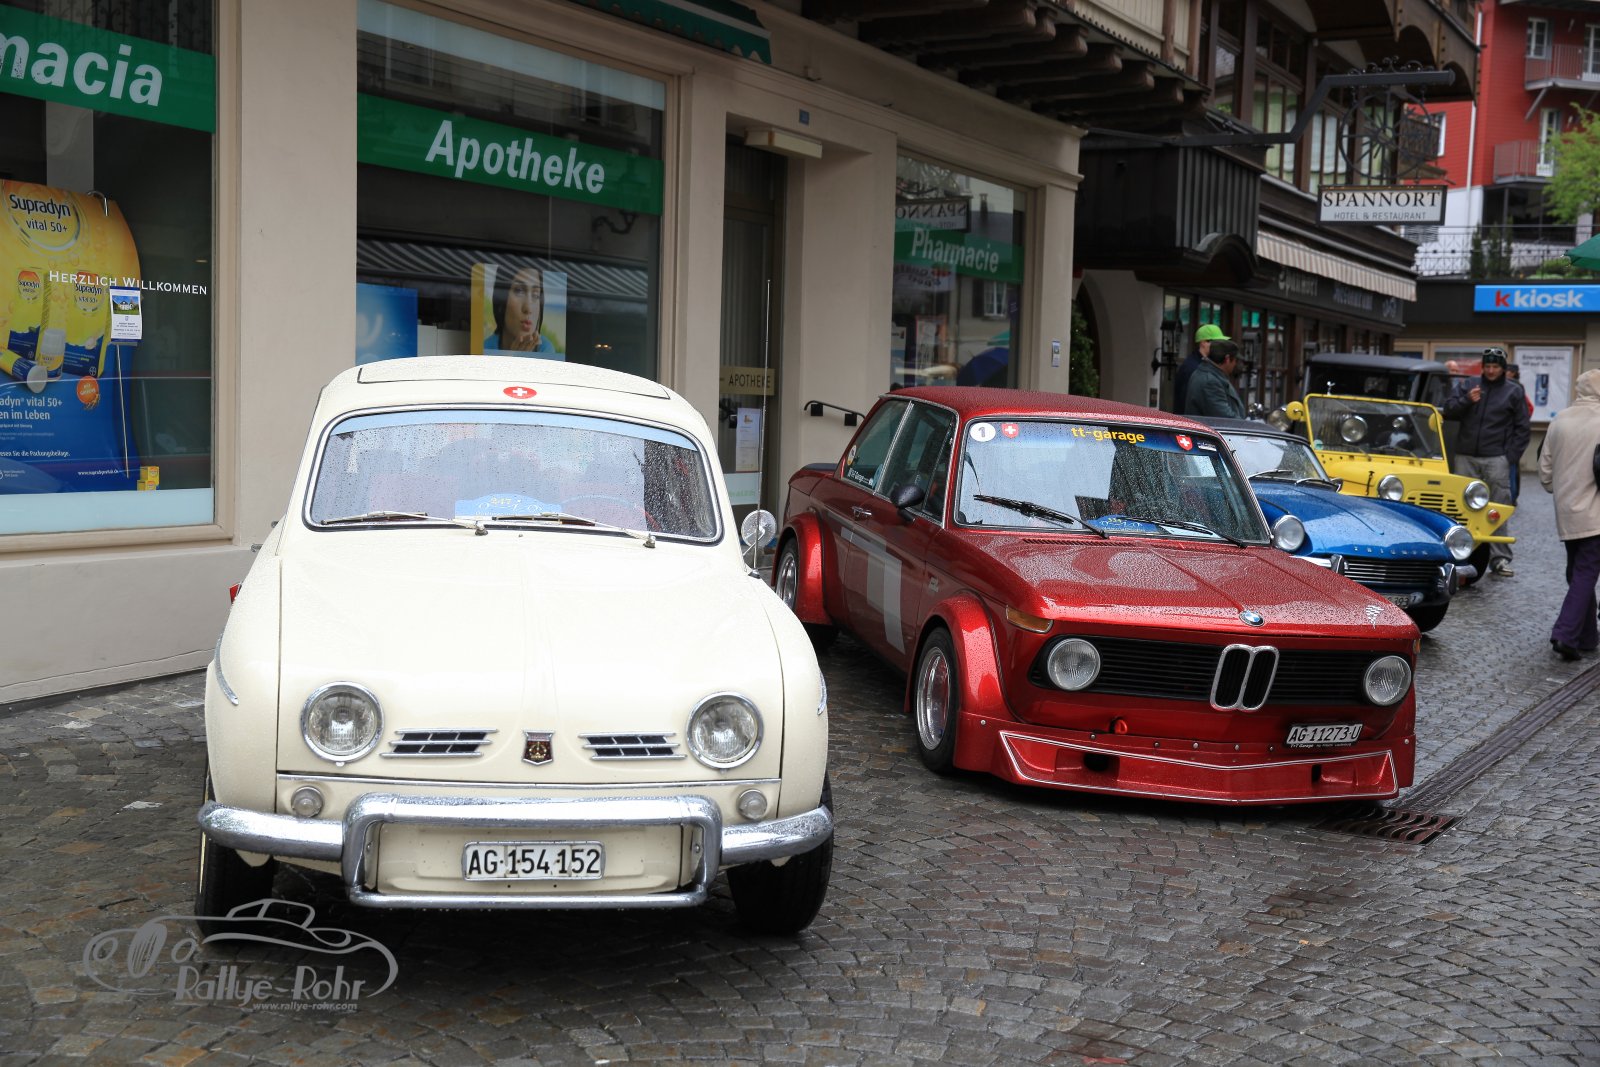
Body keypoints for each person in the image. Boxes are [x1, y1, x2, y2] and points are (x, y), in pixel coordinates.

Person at [1442, 347, 1529, 577]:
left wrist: (1509, 458)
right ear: (1483, 367)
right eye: (1487, 366)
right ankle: (1458, 555)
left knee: (1497, 508)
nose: (1491, 371)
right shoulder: (1469, 385)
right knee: (1460, 507)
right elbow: (1448, 411)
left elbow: (1522, 428)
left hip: (1496, 458)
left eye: (1495, 367)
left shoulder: (1513, 391)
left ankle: (1499, 558)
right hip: (1466, 456)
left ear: (1503, 368)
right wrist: (1466, 401)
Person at [1538, 369, 1600, 659]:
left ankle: (1588, 636)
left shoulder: (1560, 420)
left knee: (1577, 572)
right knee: (1584, 574)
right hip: (1596, 513)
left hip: (1566, 513)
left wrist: (1563, 489)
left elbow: (1545, 472)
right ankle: (1565, 634)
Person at [487, 266, 555, 354]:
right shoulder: (484, 349)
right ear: (501, 300)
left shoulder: (546, 349)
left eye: (536, 295)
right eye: (519, 291)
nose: (528, 309)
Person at [1182, 339, 1246, 419]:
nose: (1235, 364)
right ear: (1227, 359)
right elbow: (1224, 417)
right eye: (1235, 360)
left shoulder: (1212, 375)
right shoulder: (1210, 382)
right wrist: (1247, 423)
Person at [1173, 324, 1228, 414]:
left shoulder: (1202, 364)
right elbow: (1186, 401)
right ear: (1203, 343)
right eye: (1217, 343)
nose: (1220, 347)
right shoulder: (1192, 368)